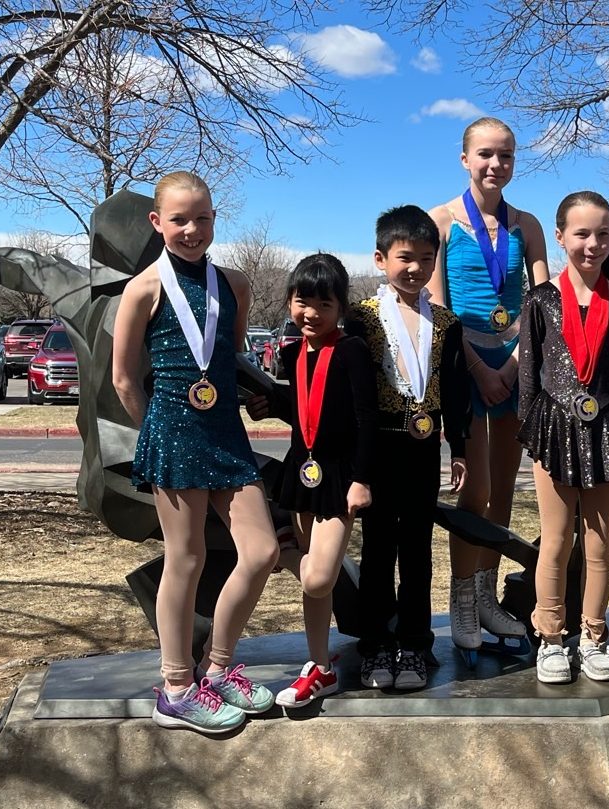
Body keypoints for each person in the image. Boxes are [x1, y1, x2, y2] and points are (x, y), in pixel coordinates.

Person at [112, 171, 279, 734]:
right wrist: (157, 431)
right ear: (157, 222)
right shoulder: (143, 288)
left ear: (214, 219)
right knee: (187, 559)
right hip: (175, 437)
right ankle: (177, 685)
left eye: (202, 218)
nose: (191, 229)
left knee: (260, 553)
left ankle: (220, 666)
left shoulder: (233, 285)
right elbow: (124, 379)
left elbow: (226, 358)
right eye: (179, 219)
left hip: (227, 436)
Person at [428, 116, 549, 657]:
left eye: (505, 155)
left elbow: (544, 302)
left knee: (504, 489)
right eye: (485, 154)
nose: (495, 164)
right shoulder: (441, 222)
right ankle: (459, 602)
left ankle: (486, 598)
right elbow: (436, 309)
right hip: (466, 363)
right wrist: (479, 368)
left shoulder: (528, 223)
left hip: (517, 362)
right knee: (472, 491)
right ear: (464, 159)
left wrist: (516, 361)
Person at [518, 191, 609, 684]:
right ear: (560, 237)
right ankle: (551, 638)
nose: (593, 244)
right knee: (555, 542)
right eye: (582, 233)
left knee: (599, 541)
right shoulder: (542, 299)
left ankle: (594, 637)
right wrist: (532, 432)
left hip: (606, 429)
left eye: (603, 234)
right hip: (553, 430)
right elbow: (529, 374)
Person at [345, 205, 471, 691]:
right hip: (377, 448)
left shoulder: (445, 322)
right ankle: (375, 645)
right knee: (377, 550)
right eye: (404, 257)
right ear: (380, 258)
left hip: (423, 447)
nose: (415, 268)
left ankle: (417, 645)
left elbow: (456, 390)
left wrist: (459, 446)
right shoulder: (362, 318)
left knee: (418, 550)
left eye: (424, 257)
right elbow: (350, 391)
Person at [262, 254, 377, 706]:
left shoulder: (351, 351)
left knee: (316, 576)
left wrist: (362, 479)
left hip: (339, 476)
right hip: (301, 472)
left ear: (341, 308)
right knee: (320, 583)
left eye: (323, 305)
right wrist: (272, 406)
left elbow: (366, 419)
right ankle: (320, 667)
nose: (310, 313)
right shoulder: (292, 354)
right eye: (301, 301)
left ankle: (283, 550)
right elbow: (307, 411)